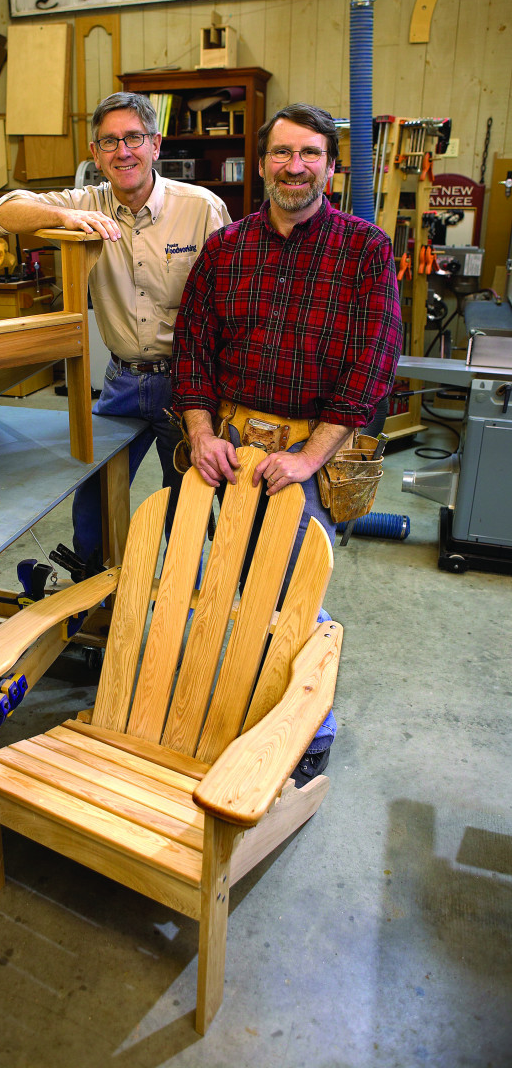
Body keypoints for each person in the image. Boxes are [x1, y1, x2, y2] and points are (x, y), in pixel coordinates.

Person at [171, 102, 403, 780]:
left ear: (330, 167)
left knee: (294, 590)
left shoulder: (365, 249)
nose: (293, 167)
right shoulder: (226, 247)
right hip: (233, 447)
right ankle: (256, 704)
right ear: (262, 161)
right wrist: (201, 431)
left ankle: (310, 730)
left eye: (308, 155)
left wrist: (307, 457)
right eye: (280, 153)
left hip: (306, 454)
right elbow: (193, 347)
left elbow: (374, 360)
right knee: (241, 580)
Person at [0, 91, 231, 567]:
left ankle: (181, 605)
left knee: (185, 504)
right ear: (95, 154)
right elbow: (3, 212)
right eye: (109, 142)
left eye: (134, 138)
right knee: (93, 499)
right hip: (121, 381)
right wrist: (62, 216)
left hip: (187, 384)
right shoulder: (86, 203)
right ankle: (92, 598)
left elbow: (232, 301)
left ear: (156, 144)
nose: (123, 152)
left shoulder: (200, 208)